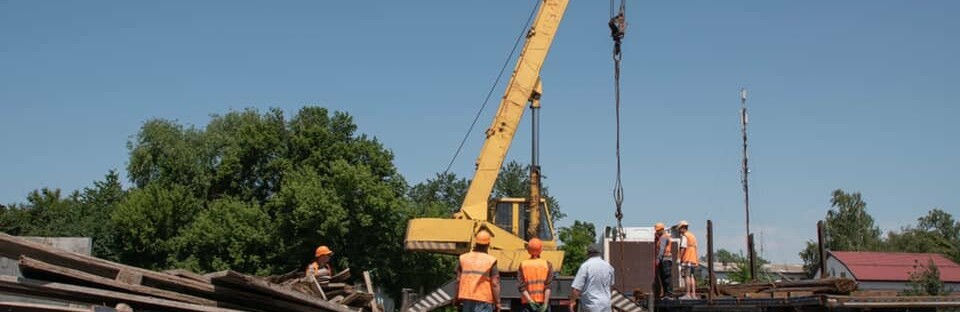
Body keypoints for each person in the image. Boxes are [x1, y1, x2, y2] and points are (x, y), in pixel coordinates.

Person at [455, 230, 501, 312]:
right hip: (484, 300)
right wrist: (498, 303)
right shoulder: (491, 260)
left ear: (475, 243)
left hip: (467, 299)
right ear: (488, 244)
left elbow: (458, 280)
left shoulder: (463, 258)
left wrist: (456, 298)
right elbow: (495, 283)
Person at [569, 244, 614, 312]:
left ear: (588, 253)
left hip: (591, 305)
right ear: (600, 253)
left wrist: (572, 302)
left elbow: (576, 289)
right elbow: (611, 286)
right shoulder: (609, 267)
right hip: (606, 305)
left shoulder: (585, 266)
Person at [519, 238, 553, 312]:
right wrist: (545, 303)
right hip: (542, 303)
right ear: (541, 250)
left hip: (527, 304)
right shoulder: (547, 264)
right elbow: (548, 286)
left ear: (528, 250)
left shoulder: (523, 265)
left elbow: (521, 287)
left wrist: (531, 301)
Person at [677, 221, 698, 299]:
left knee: (687, 276)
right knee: (692, 276)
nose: (679, 230)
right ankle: (693, 294)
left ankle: (688, 294)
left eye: (679, 229)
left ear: (683, 228)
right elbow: (695, 247)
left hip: (687, 258)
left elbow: (683, 248)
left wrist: (679, 258)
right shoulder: (692, 236)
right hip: (693, 259)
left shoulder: (685, 236)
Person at [654, 222, 673, 298]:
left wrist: (658, 259)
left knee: (666, 277)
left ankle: (669, 293)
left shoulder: (663, 237)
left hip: (665, 259)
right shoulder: (661, 237)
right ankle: (666, 293)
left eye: (658, 230)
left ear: (662, 229)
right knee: (663, 277)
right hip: (664, 259)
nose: (657, 232)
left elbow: (662, 249)